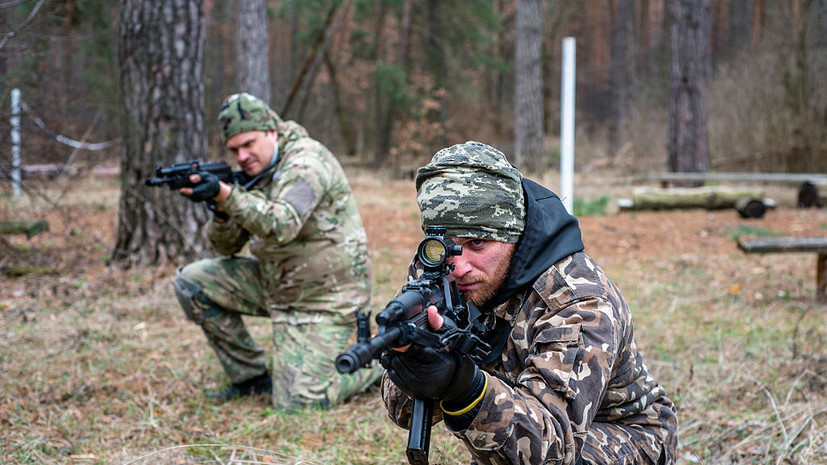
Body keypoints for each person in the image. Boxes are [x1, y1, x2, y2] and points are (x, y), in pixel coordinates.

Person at [381, 141, 678, 464]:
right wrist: (415, 361)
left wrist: (461, 385)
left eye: (477, 242)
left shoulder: (577, 299)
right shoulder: (437, 269)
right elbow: (402, 411)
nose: (459, 266)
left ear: (514, 233)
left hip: (624, 435)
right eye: (445, 245)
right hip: (525, 422)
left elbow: (552, 450)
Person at [173, 92, 381, 410]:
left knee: (299, 403)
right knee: (192, 282)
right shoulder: (255, 172)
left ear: (272, 131)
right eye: (234, 150)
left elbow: (282, 223)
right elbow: (225, 246)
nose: (242, 156)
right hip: (278, 285)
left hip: (327, 298)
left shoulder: (307, 163)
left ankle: (376, 365)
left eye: (249, 144)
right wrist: (221, 210)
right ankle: (250, 378)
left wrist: (227, 195)